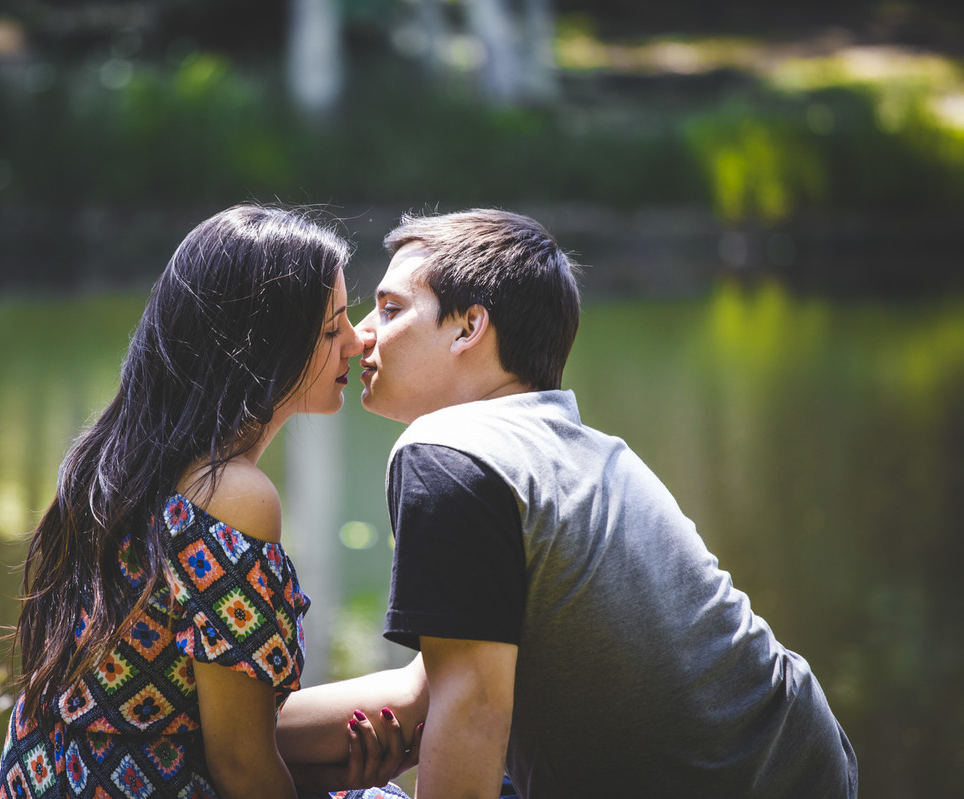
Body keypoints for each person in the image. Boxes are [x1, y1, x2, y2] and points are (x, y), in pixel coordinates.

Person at [349, 209, 858, 797]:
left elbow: (473, 717)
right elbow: (424, 695)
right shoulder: (556, 445)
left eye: (389, 310)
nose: (363, 332)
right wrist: (228, 738)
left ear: (468, 328)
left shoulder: (447, 453)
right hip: (802, 764)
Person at [0, 204, 421, 799]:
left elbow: (187, 724)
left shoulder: (119, 462)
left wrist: (328, 770)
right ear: (262, 347)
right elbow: (242, 767)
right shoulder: (231, 496)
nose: (358, 340)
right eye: (331, 329)